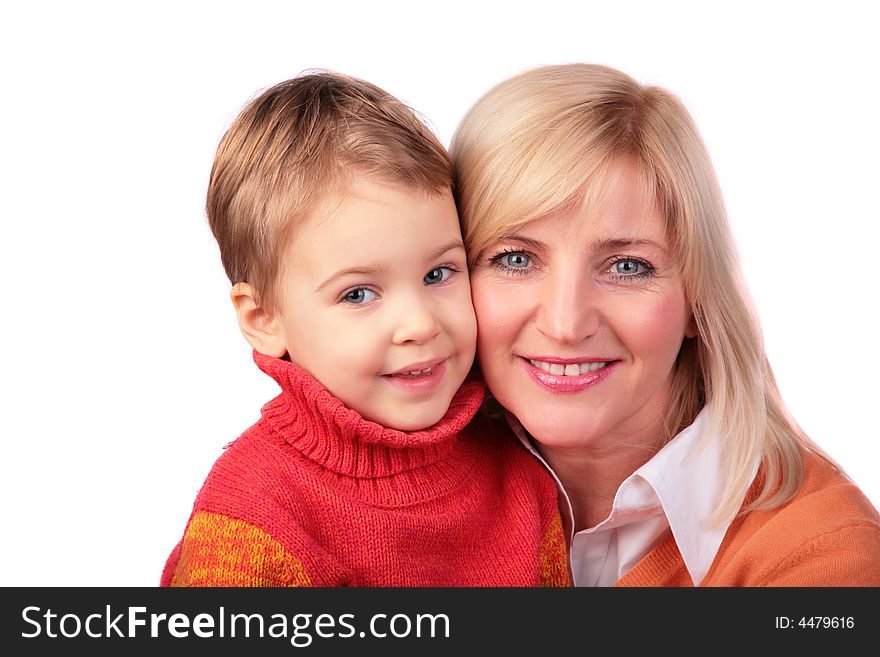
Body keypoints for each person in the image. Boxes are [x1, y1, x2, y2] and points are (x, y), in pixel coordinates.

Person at [449, 63, 880, 586]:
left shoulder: (821, 556)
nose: (565, 324)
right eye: (514, 259)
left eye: (627, 266)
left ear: (698, 299)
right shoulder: (395, 493)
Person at [160, 71, 570, 587]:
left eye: (438, 274)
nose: (419, 324)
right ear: (264, 320)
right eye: (358, 294)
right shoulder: (255, 514)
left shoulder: (518, 472)